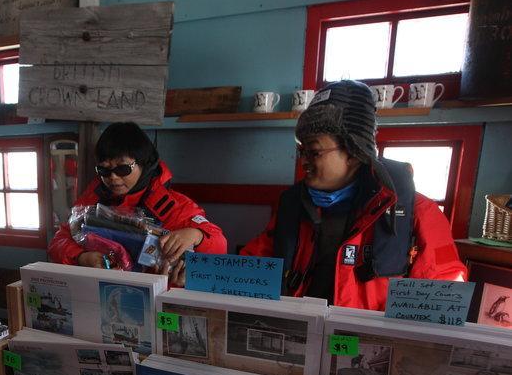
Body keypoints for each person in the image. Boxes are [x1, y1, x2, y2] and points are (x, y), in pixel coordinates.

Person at [242, 80, 466, 310]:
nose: (304, 161)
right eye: (302, 151)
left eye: (314, 152)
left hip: (368, 332)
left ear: (354, 152)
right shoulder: (293, 205)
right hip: (301, 326)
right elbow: (253, 266)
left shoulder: (416, 212)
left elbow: (444, 293)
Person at [48, 122, 227, 285]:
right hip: (103, 293)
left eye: (123, 168)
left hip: (159, 298)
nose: (113, 177)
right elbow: (58, 241)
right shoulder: (91, 201)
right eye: (104, 169)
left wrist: (197, 235)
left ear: (144, 164)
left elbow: (219, 246)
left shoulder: (173, 206)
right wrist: (81, 257)